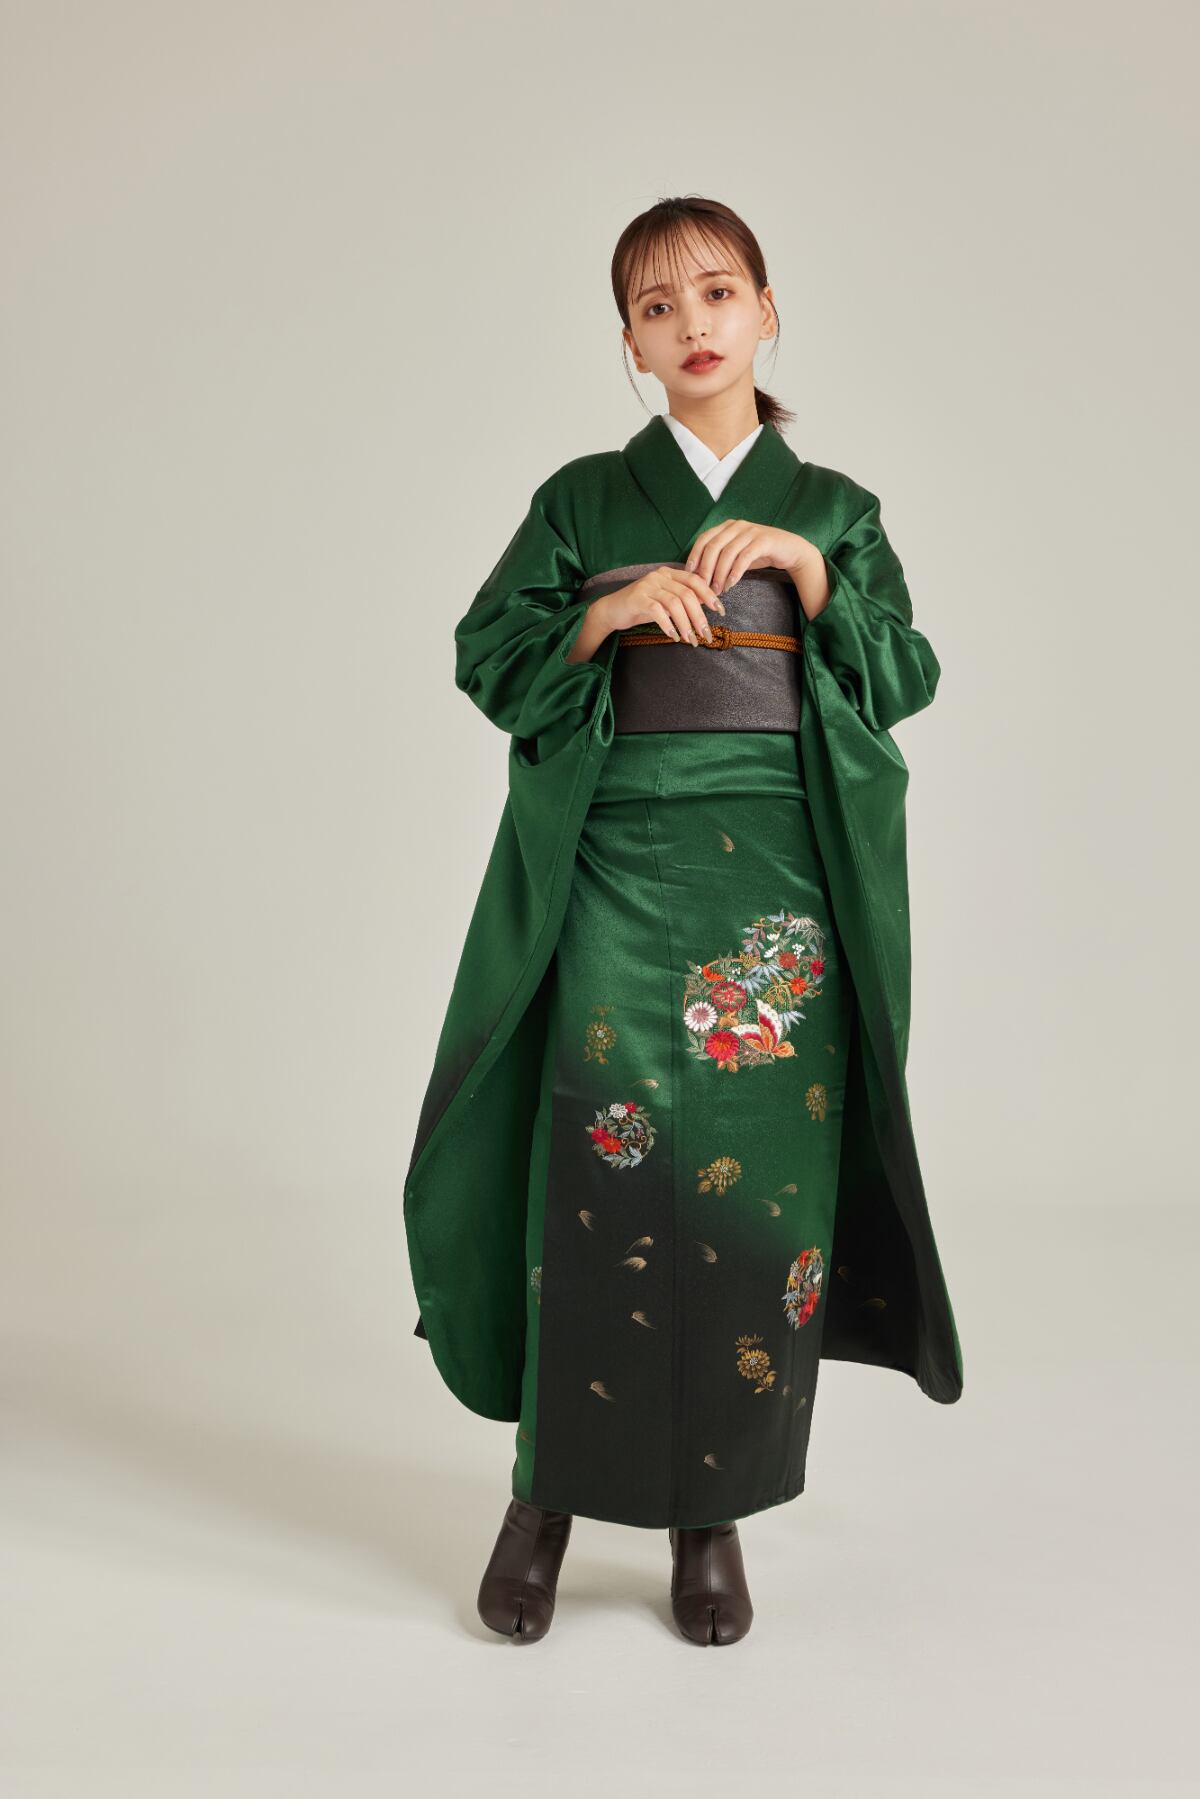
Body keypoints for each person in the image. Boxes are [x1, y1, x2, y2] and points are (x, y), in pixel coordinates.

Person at [403, 194, 963, 1646]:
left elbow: (904, 676)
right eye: (659, 306)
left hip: (778, 887)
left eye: (718, 293)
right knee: (595, 1182)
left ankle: (712, 1517)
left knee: (752, 1197)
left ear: (766, 312)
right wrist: (604, 616)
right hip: (617, 864)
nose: (693, 324)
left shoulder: (833, 506)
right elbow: (488, 653)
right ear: (631, 343)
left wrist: (816, 579)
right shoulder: (585, 499)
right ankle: (543, 1499)